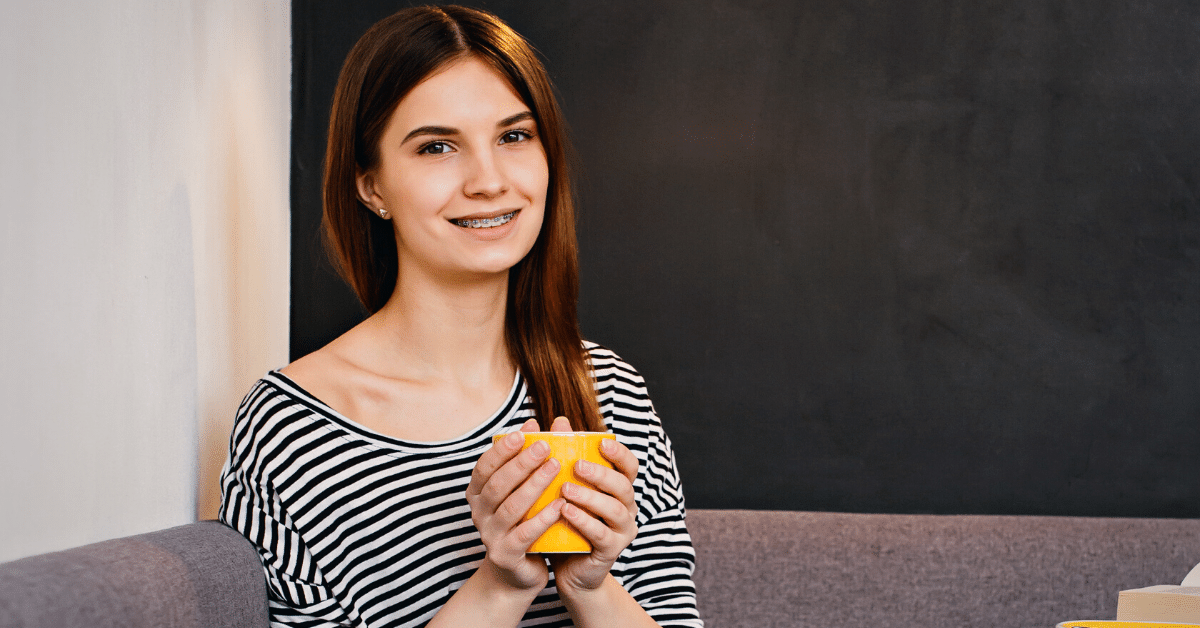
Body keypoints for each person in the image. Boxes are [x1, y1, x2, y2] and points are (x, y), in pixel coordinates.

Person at [219, 6, 702, 627]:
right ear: (371, 186)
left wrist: (590, 586)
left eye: (513, 136)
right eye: (438, 146)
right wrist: (500, 584)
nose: (489, 180)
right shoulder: (290, 431)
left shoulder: (608, 391)